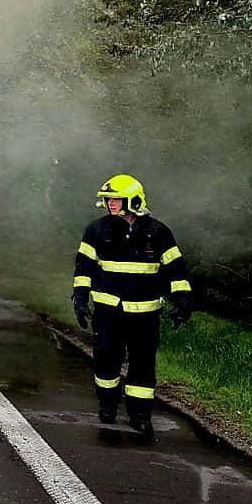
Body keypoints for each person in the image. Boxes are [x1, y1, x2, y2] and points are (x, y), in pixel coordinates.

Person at [71, 174, 192, 440]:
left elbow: (176, 270)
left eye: (115, 199)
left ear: (133, 200)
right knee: (106, 359)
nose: (111, 204)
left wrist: (182, 301)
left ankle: (140, 416)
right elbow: (84, 268)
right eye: (108, 200)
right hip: (108, 312)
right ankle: (108, 405)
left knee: (143, 365)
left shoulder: (158, 232)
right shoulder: (96, 230)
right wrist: (80, 299)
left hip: (146, 314)